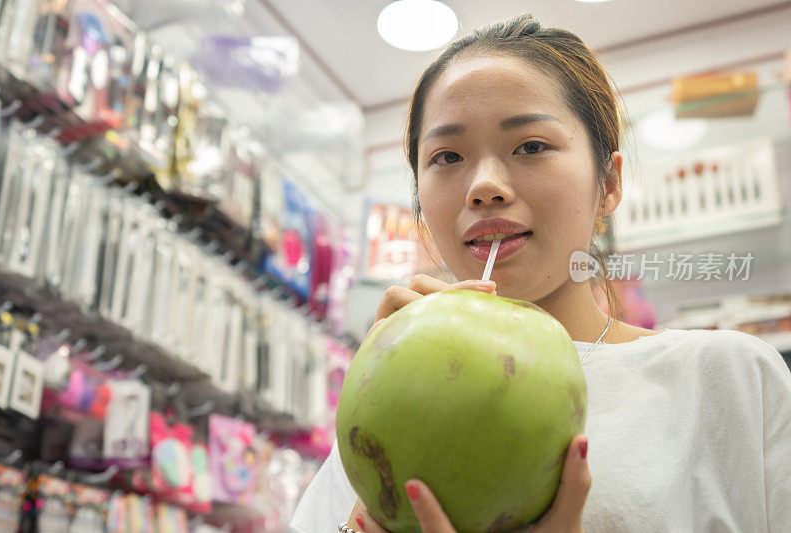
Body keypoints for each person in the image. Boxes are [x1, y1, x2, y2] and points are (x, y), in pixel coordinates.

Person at [290, 13, 791, 533]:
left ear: (609, 183)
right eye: (447, 156)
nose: (484, 186)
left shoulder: (726, 380)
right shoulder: (375, 425)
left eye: (531, 146)